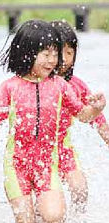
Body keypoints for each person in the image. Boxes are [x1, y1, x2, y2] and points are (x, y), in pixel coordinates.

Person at [0, 20, 106, 223]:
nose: (53, 60)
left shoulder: (60, 86)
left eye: (55, 54)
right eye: (46, 55)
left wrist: (97, 108)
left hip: (47, 165)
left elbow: (82, 115)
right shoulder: (10, 87)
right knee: (26, 219)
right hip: (16, 166)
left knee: (55, 216)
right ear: (27, 53)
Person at [50, 20, 109, 212]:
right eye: (60, 52)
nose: (65, 59)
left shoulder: (76, 85)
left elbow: (95, 118)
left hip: (63, 149)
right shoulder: (32, 83)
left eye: (70, 52)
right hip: (34, 150)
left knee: (80, 189)